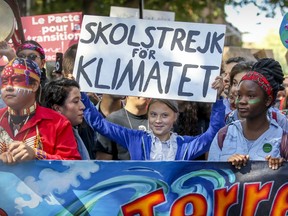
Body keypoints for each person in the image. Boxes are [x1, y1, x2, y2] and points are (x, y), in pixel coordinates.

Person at [82, 76, 225, 161]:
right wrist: (81, 90)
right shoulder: (135, 138)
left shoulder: (185, 145)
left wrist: (217, 98)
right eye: (153, 114)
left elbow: (213, 134)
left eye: (164, 115)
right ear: (148, 115)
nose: (158, 120)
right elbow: (99, 124)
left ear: (175, 117)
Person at [208, 58, 287, 170]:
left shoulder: (283, 140)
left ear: (268, 100)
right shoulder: (224, 135)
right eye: (239, 95)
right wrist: (226, 167)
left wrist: (281, 168)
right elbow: (210, 177)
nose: (242, 101)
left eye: (251, 96)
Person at [0, 58, 81, 163]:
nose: (8, 87)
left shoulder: (58, 122)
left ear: (34, 86)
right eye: (5, 81)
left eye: (16, 80)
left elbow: (73, 164)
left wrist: (37, 154)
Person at [41, 78, 90, 160]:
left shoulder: (84, 129)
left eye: (81, 100)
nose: (82, 107)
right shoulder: (43, 137)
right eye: (76, 101)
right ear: (57, 108)